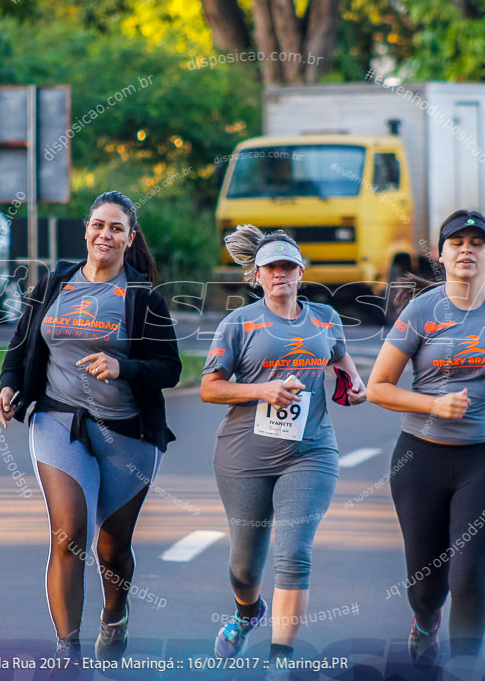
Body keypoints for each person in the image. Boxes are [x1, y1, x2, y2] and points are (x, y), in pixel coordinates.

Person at [0, 191, 181, 667]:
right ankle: (67, 651)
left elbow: (169, 368)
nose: (106, 234)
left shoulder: (143, 297)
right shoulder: (55, 283)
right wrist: (9, 386)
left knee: (113, 548)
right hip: (59, 420)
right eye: (99, 225)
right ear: (86, 230)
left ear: (129, 237)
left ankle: (114, 617)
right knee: (69, 533)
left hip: (127, 433)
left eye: (116, 228)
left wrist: (123, 369)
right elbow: (21, 346)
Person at [367, 210, 485, 664]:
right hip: (420, 460)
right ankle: (425, 622)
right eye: (457, 243)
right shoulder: (421, 310)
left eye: (477, 243)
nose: (467, 249)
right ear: (442, 256)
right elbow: (378, 388)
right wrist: (433, 404)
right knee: (426, 586)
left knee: (468, 576)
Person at [201, 226, 367, 666]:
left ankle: (281, 663)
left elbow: (339, 357)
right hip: (244, 457)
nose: (280, 275)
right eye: (272, 268)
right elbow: (210, 389)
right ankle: (246, 612)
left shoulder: (326, 318)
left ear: (300, 272)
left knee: (293, 553)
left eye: (288, 267)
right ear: (257, 274)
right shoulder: (239, 322)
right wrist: (263, 390)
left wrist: (354, 384)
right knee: (245, 566)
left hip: (310, 452)